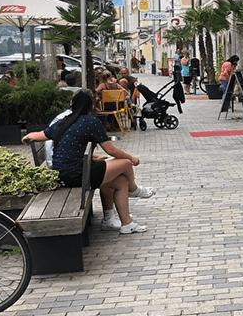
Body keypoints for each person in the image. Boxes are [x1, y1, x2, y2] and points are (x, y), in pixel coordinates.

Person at [21, 90, 155, 234]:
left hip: (64, 174)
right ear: (92, 105)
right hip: (78, 175)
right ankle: (134, 190)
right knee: (125, 163)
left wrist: (28, 136)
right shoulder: (91, 122)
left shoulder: (65, 121)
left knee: (121, 181)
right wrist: (131, 158)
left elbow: (42, 134)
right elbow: (111, 150)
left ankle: (125, 223)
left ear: (72, 104)